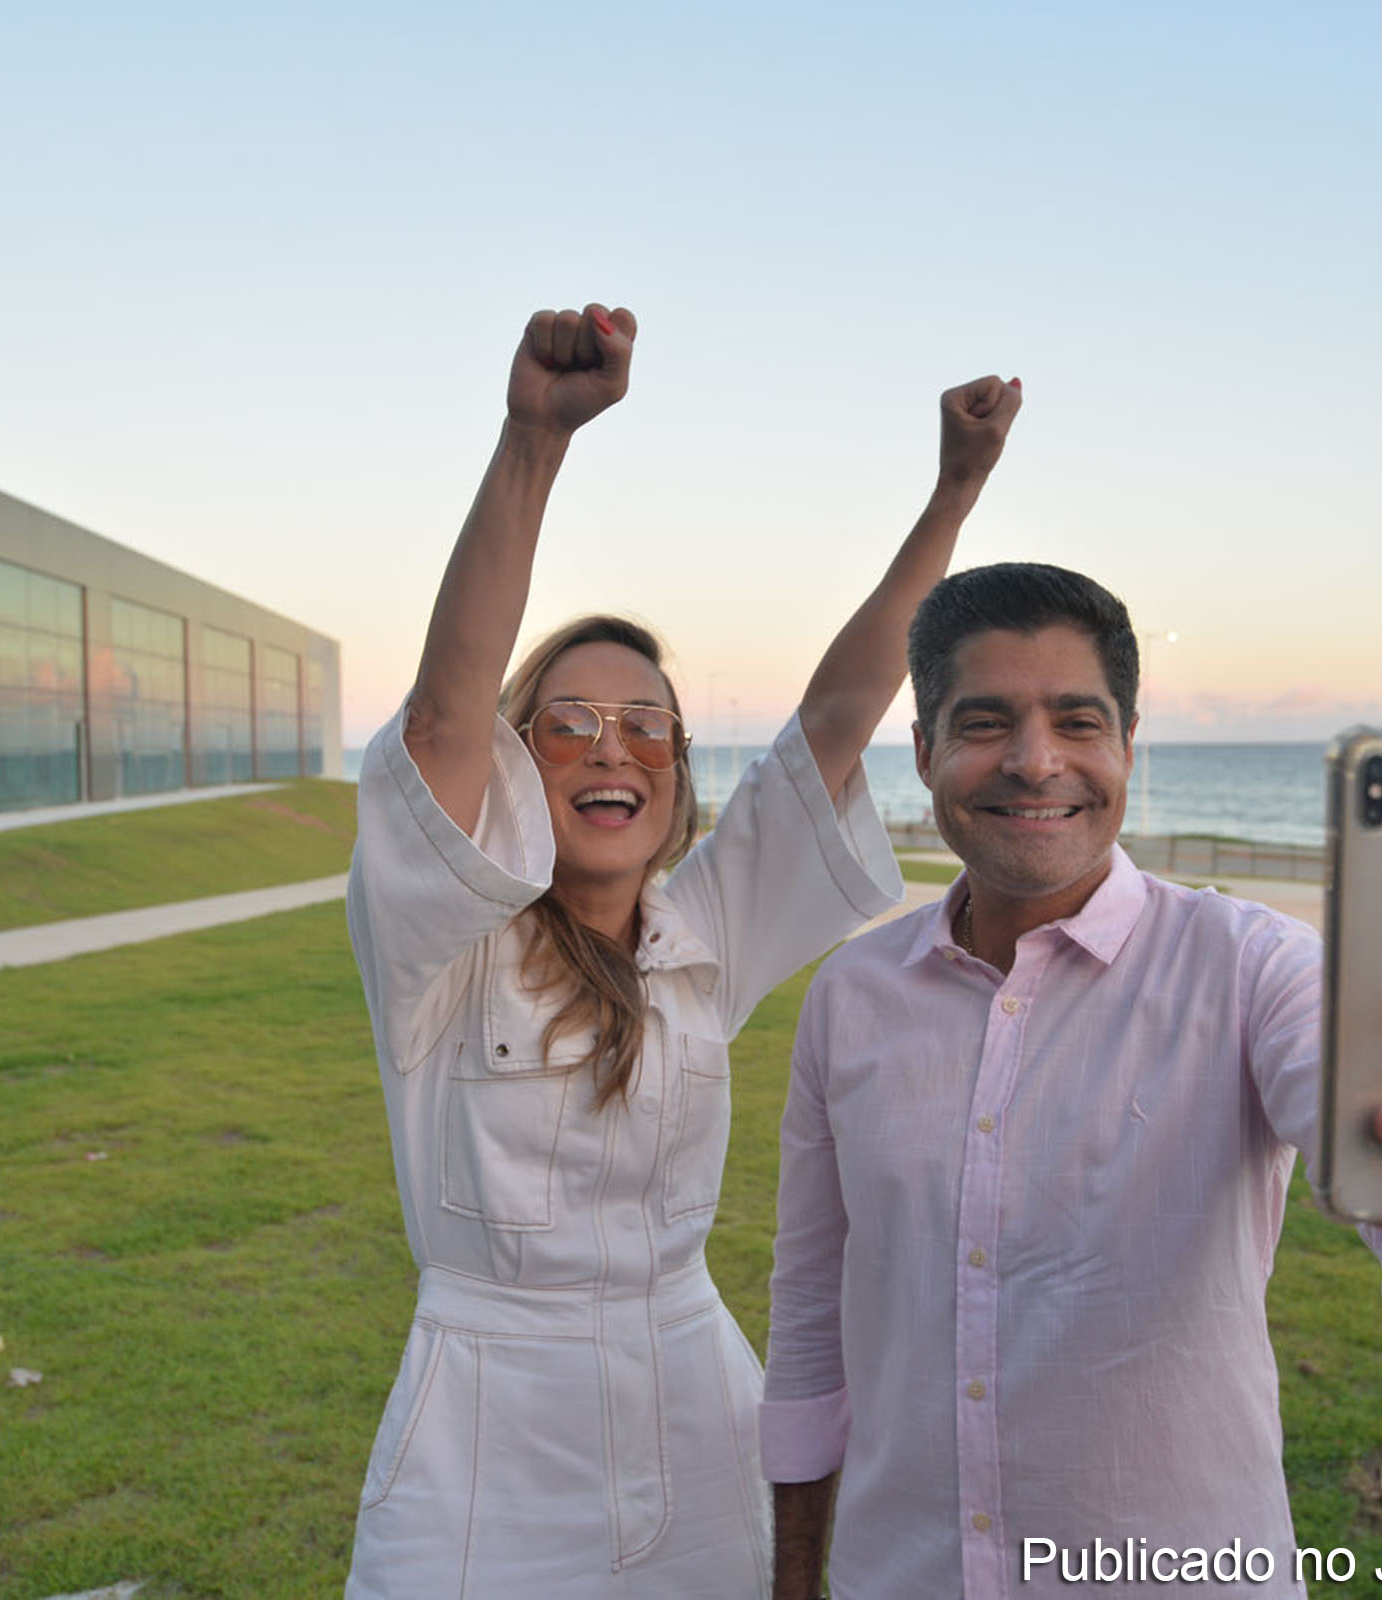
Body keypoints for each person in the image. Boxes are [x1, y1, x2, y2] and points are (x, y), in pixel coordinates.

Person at [762, 563, 1382, 1599]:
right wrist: (794, 1576)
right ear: (924, 752)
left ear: (1129, 745)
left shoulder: (1257, 969)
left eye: (1078, 721)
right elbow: (811, 1314)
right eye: (986, 720)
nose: (1035, 760)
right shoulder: (853, 994)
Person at [344, 303, 1020, 1597]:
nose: (614, 747)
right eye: (572, 721)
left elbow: (837, 712)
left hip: (697, 1411)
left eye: (649, 724)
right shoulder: (438, 946)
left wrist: (952, 495)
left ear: (678, 774)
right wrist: (532, 442)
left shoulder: (702, 930)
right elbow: (440, 711)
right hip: (483, 1444)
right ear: (511, 760)